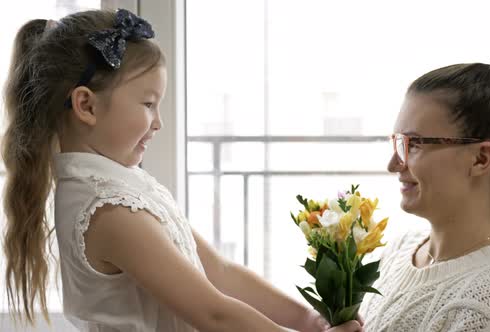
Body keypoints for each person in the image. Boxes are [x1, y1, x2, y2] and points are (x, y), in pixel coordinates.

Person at [2, 9, 363, 332]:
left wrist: (309, 320)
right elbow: (212, 314)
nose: (158, 122)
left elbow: (219, 272)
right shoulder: (107, 209)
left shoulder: (122, 187)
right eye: (148, 103)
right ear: (86, 105)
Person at [359, 57, 490, 331]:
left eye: (414, 144)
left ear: (480, 158)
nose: (393, 164)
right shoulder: (400, 250)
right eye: (398, 142)